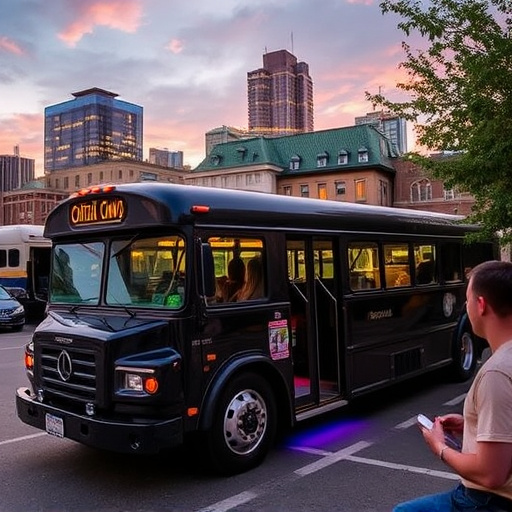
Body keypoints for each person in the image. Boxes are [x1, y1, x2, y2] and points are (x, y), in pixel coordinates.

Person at [393, 260, 512, 511]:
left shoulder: (497, 372)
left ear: (480, 305)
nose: (465, 307)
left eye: (467, 299)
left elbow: (492, 475)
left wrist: (440, 447)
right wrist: (472, 425)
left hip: (487, 501)